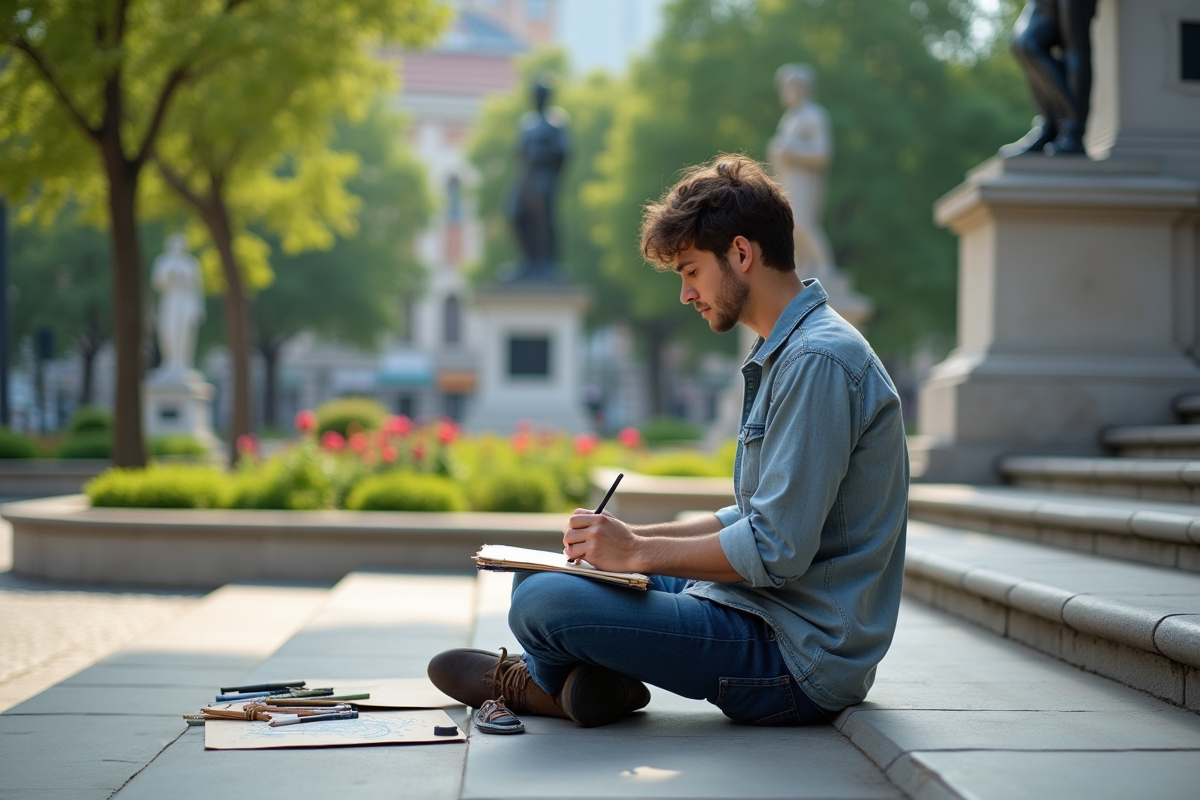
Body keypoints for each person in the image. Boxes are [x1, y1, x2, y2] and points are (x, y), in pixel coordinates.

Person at [429, 156, 908, 728]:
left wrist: (635, 554)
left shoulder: (817, 360)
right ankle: (582, 683)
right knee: (546, 575)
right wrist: (623, 542)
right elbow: (750, 517)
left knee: (543, 603)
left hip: (796, 657)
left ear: (741, 253)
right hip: (761, 608)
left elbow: (776, 548)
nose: (685, 294)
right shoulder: (793, 350)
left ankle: (542, 683)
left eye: (690, 271)